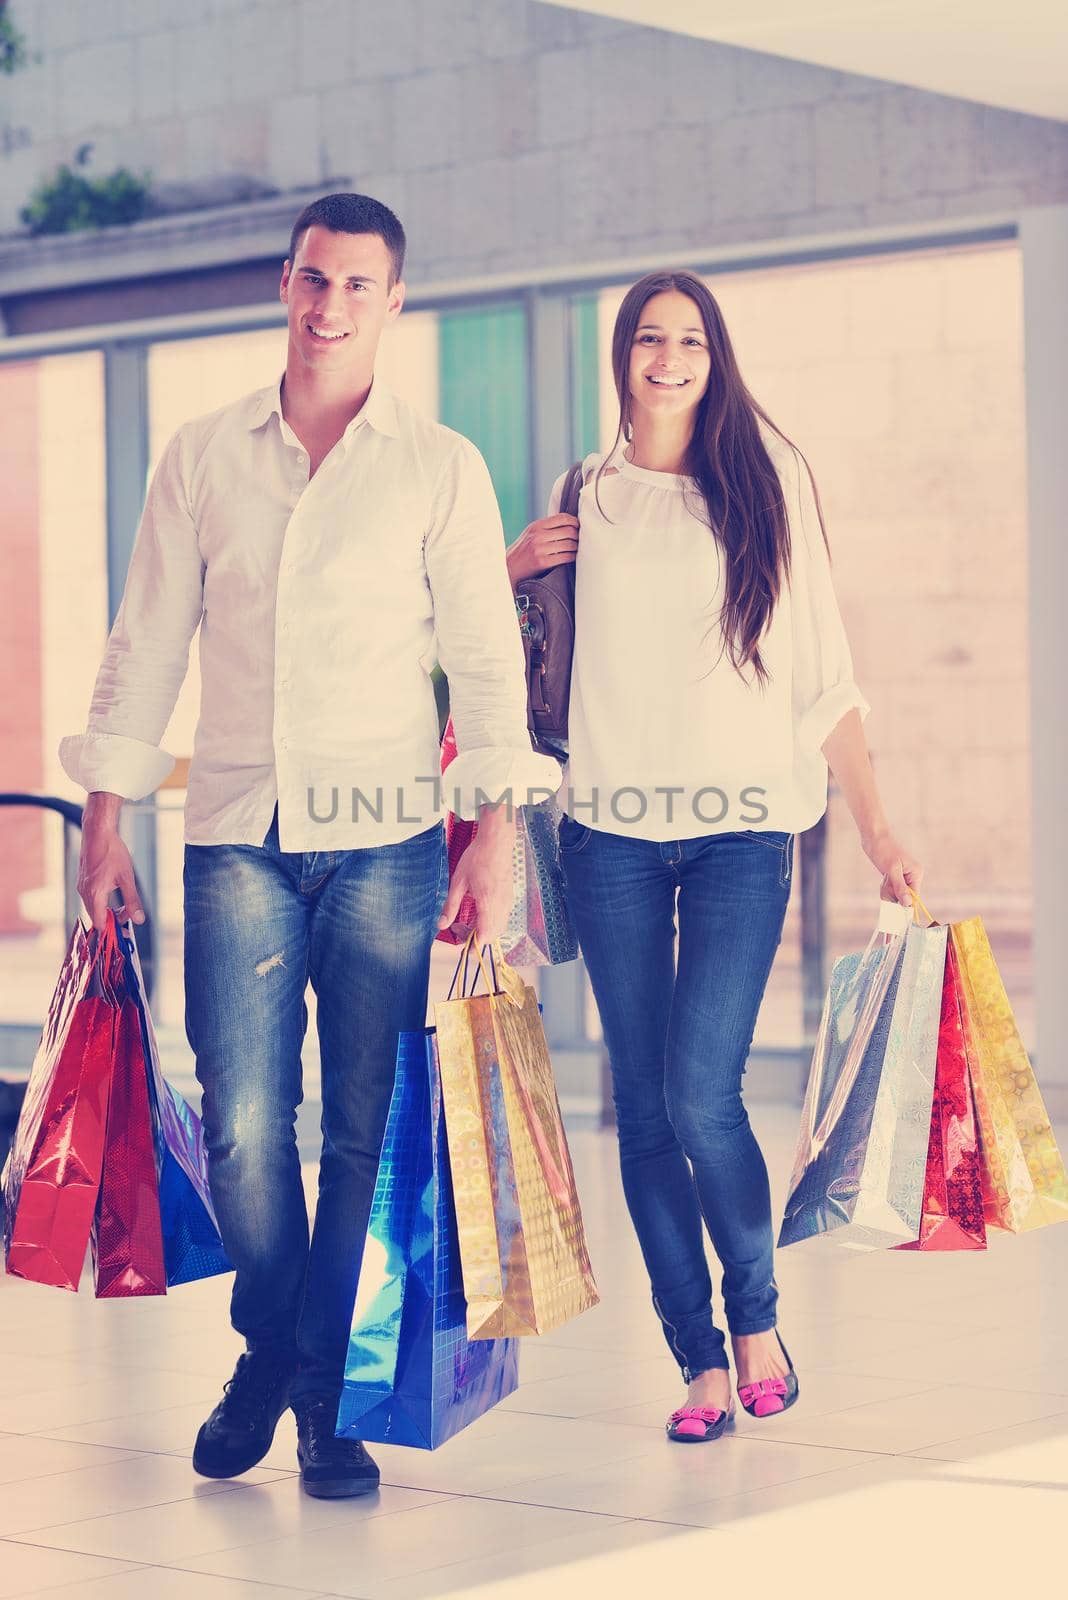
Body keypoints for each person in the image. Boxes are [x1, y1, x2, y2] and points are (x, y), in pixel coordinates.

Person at [61, 192, 558, 1496]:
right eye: (312, 280)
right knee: (240, 1128)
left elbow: (485, 665)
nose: (330, 305)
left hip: (390, 844)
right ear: (286, 285)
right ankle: (277, 1347)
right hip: (235, 837)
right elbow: (147, 639)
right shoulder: (202, 455)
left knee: (361, 1134)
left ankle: (322, 1391)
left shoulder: (438, 465)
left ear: (393, 302)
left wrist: (494, 838)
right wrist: (106, 815)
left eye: (358, 286)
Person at [506, 269, 923, 1444]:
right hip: (609, 833)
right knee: (639, 1110)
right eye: (651, 338)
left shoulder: (767, 483)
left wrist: (882, 827)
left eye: (690, 339)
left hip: (743, 829)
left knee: (702, 1090)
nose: (670, 357)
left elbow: (825, 675)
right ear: (623, 358)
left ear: (714, 354)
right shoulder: (584, 495)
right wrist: (509, 566)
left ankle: (755, 1319)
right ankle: (696, 1363)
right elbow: (520, 667)